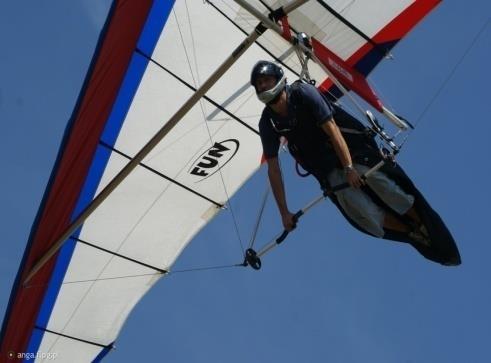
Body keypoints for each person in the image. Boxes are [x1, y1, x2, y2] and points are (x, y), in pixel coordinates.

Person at [251, 60, 429, 243]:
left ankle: (422, 222)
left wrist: (349, 167)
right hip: (326, 167)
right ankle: (410, 233)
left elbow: (332, 128)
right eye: (259, 84)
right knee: (361, 210)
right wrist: (284, 213)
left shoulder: (303, 93)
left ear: (279, 78)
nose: (263, 85)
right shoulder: (267, 123)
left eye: (266, 80)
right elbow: (273, 169)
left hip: (351, 151)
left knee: (379, 182)